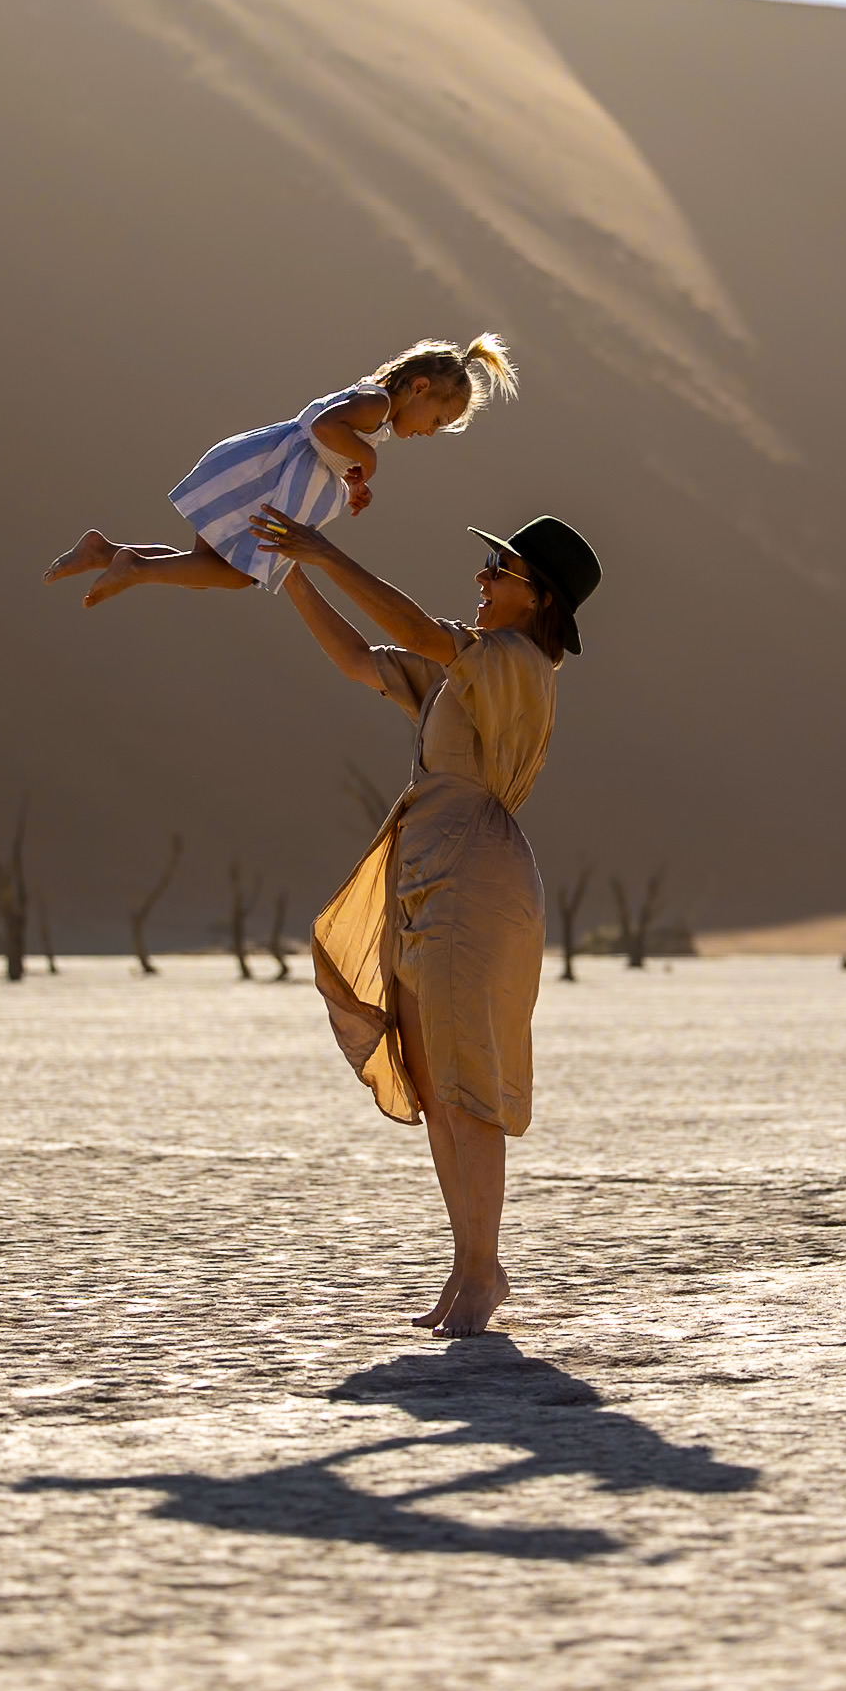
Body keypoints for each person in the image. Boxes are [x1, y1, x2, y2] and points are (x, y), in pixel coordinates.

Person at [249, 500, 601, 1337]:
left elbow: (411, 626)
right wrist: (289, 574)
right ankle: (471, 1265)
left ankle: (480, 1271)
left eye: (499, 570)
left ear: (537, 599)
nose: (481, 577)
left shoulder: (514, 661)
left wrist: (326, 552)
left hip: (472, 877)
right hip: (426, 870)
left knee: (465, 1085)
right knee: (440, 1088)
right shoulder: (466, 667)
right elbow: (358, 659)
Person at [44, 335, 516, 606]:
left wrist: (354, 482)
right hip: (267, 482)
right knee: (236, 575)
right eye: (437, 420)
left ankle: (107, 553)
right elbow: (322, 425)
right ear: (419, 388)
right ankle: (133, 567)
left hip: (264, 475)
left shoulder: (376, 414)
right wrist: (367, 461)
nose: (431, 432)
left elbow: (332, 446)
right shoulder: (376, 404)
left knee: (201, 571)